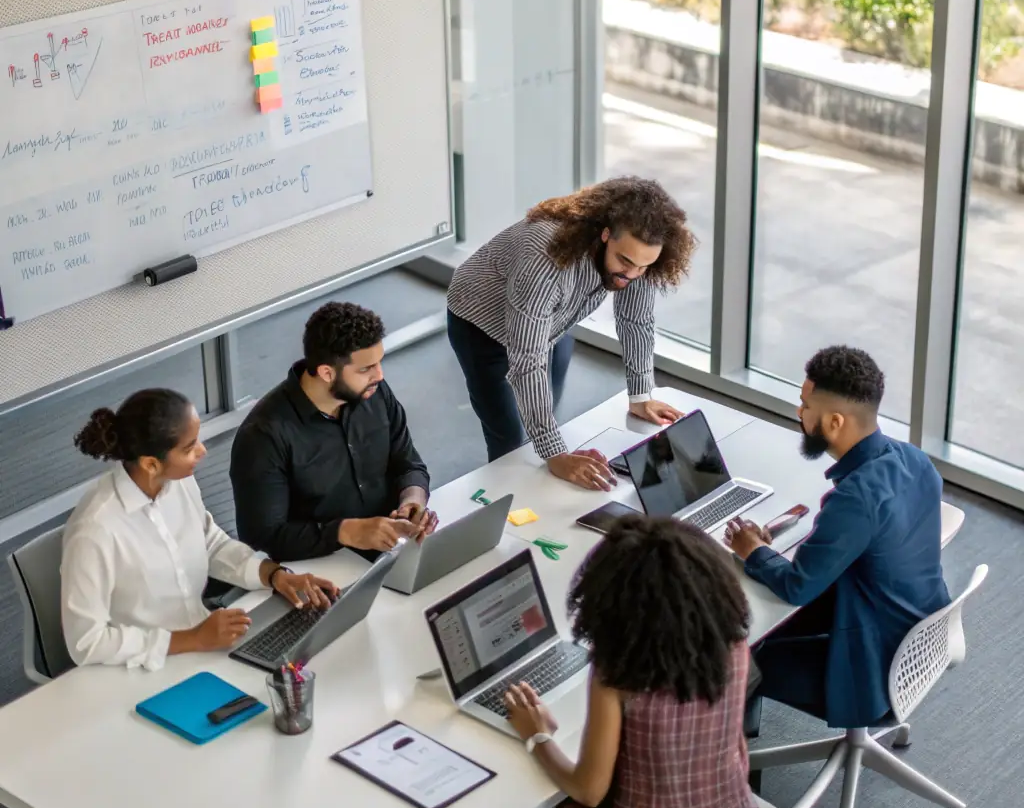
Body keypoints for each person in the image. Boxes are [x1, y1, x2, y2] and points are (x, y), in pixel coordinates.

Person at [503, 513, 766, 808]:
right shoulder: (735, 647)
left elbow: (588, 790)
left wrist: (538, 737)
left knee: (567, 796)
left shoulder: (617, 677)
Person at [725, 345, 950, 730]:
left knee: (736, 659)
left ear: (833, 423)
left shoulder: (856, 498)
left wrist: (754, 550)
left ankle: (736, 769)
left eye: (805, 406)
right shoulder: (916, 461)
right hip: (921, 641)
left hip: (874, 673)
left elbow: (797, 587)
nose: (799, 413)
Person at [447, 177, 697, 488]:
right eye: (625, 261)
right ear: (606, 235)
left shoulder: (638, 256)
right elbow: (527, 361)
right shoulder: (546, 256)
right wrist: (556, 454)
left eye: (643, 267)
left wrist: (641, 395)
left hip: (552, 319)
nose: (631, 275)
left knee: (545, 409)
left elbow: (635, 320)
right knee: (510, 438)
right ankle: (507, 511)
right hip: (482, 321)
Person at [62, 388, 337, 670]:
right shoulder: (95, 530)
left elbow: (211, 543)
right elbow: (86, 641)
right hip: (144, 666)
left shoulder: (176, 481)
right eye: (189, 447)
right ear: (151, 464)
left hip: (205, 643)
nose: (202, 451)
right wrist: (192, 639)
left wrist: (274, 574)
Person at [230, 301, 436, 564]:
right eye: (366, 368)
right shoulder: (263, 437)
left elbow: (408, 464)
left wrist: (413, 500)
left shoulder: (373, 393)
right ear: (327, 372)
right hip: (321, 565)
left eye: (379, 363)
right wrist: (345, 532)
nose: (380, 375)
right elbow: (262, 539)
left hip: (393, 549)